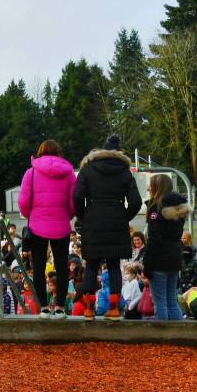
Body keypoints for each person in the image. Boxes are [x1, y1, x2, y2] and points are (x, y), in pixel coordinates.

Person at [73, 134, 143, 320]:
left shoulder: (87, 169)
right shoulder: (125, 172)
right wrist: (124, 217)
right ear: (119, 152)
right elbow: (136, 201)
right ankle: (113, 309)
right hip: (117, 218)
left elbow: (77, 196)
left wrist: (83, 216)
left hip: (93, 217)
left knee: (91, 265)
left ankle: (88, 309)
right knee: (113, 266)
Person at [18, 139, 76, 320]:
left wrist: (31, 215)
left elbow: (23, 201)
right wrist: (67, 216)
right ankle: (60, 307)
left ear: (40, 152)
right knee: (61, 266)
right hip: (61, 226)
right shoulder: (68, 173)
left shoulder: (31, 173)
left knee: (39, 266)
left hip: (37, 225)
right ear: (59, 152)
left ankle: (43, 307)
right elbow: (74, 202)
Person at [142, 174, 191, 321]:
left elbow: (154, 239)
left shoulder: (157, 209)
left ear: (157, 187)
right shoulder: (178, 209)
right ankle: (178, 333)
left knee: (160, 301)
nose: (148, 188)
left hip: (159, 260)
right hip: (174, 258)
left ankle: (164, 336)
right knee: (171, 299)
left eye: (150, 185)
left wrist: (147, 263)